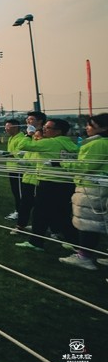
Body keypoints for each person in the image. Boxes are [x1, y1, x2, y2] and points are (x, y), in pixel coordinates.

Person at [15, 118, 79, 251]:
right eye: (44, 126)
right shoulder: (70, 144)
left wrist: (29, 134)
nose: (44, 129)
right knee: (62, 214)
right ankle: (76, 243)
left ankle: (36, 243)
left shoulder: (50, 142)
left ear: (58, 131)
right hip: (66, 183)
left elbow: (23, 145)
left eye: (48, 127)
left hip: (49, 182)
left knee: (40, 213)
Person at [58, 114, 108, 270]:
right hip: (97, 187)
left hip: (92, 189)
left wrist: (63, 163)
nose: (87, 128)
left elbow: (86, 166)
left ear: (103, 128)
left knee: (88, 224)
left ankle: (84, 257)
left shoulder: (98, 143)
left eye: (91, 125)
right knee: (99, 223)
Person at [12, 111, 47, 235]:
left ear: (40, 121)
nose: (28, 121)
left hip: (40, 175)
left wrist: (30, 135)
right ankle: (20, 226)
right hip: (28, 174)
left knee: (41, 205)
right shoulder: (29, 135)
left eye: (31, 119)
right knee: (25, 202)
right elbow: (24, 148)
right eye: (27, 119)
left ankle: (46, 228)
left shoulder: (44, 135)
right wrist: (23, 160)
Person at [1, 119, 24, 220]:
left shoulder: (21, 138)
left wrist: (6, 154)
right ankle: (18, 210)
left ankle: (20, 212)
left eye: (8, 127)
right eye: (5, 127)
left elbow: (20, 155)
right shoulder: (11, 138)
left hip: (18, 169)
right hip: (12, 168)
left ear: (15, 127)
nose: (6, 129)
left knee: (19, 193)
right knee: (15, 192)